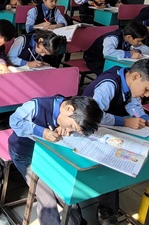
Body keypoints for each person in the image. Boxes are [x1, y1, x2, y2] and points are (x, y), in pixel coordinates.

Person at [83, 59, 149, 224]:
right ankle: (107, 210)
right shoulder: (109, 84)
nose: (147, 95)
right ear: (136, 76)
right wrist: (125, 121)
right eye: (147, 89)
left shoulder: (128, 79)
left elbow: (134, 105)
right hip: (85, 126)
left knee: (121, 153)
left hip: (108, 127)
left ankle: (108, 207)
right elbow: (95, 115)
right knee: (111, 159)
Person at [8, 96, 102, 225]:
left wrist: (65, 130)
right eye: (71, 126)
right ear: (68, 109)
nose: (69, 131)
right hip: (26, 155)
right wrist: (42, 132)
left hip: (50, 157)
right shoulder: (37, 106)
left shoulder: (66, 114)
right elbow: (15, 121)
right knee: (47, 198)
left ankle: (77, 222)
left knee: (66, 193)